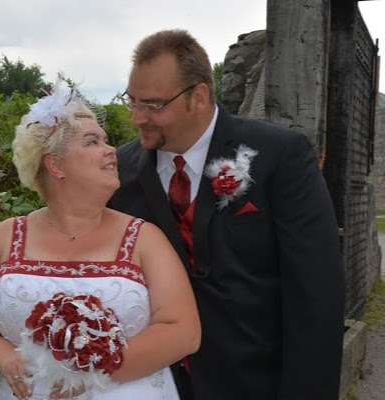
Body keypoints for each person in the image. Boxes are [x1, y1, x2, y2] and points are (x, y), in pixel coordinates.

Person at [108, 29, 346, 400]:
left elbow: (316, 290)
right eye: (132, 101)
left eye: (153, 105)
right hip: (150, 384)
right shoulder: (119, 170)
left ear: (198, 97)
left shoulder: (279, 155)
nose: (138, 117)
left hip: (253, 382)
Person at [0, 76, 201, 400]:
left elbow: (183, 331)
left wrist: (97, 370)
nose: (111, 149)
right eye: (92, 142)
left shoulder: (144, 238)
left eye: (106, 140)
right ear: (55, 165)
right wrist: (0, 353)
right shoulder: (6, 236)